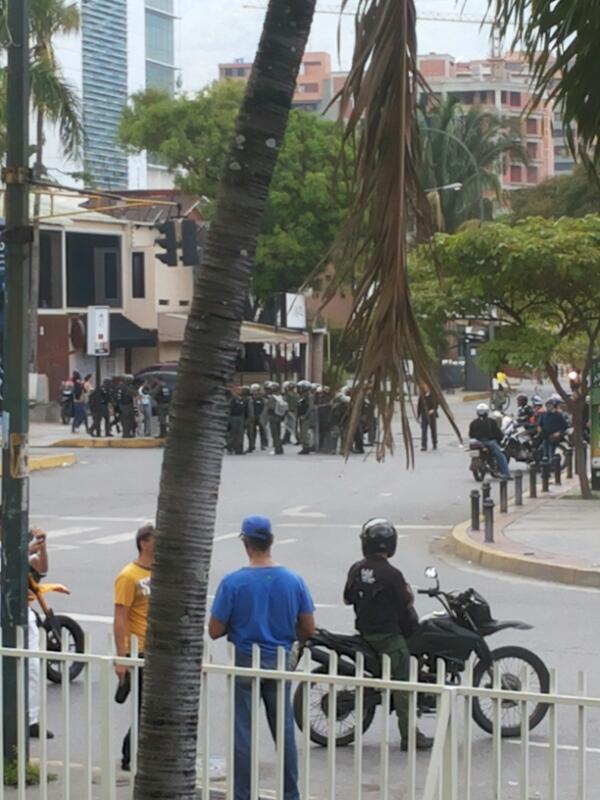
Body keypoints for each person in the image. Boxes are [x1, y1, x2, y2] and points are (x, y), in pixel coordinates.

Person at [209, 515, 315, 800]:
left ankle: (242, 794)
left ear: (246, 543)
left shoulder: (233, 582)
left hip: (246, 659)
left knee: (243, 732)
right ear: (271, 542)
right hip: (279, 660)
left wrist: (240, 623)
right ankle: (290, 793)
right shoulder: (293, 580)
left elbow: (215, 629)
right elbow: (308, 627)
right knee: (284, 732)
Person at [344, 519, 433, 751]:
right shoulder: (393, 574)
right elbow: (407, 601)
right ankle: (410, 736)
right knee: (404, 685)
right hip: (387, 638)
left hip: (364, 632)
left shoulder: (356, 568)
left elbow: (347, 598)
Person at [113, 523, 155, 772]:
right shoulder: (128, 576)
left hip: (156, 648)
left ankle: (139, 753)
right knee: (143, 707)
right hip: (138, 649)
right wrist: (122, 657)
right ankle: (129, 755)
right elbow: (120, 616)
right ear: (144, 543)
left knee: (151, 706)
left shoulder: (161, 572)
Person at [27, 527, 55, 739]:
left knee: (33, 666)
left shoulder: (22, 551)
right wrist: (26, 550)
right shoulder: (11, 551)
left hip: (23, 613)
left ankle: (31, 720)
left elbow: (42, 567)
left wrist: (42, 549)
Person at [468, 403, 512, 479]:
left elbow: (471, 434)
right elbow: (497, 433)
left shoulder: (473, 422)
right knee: (500, 456)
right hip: (489, 442)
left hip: (476, 442)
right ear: (487, 412)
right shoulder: (491, 421)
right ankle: (506, 474)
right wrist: (500, 439)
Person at [266, 382, 287, 455]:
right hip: (280, 417)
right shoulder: (282, 397)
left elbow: (270, 407)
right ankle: (280, 448)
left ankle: (277, 449)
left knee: (275, 434)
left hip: (273, 416)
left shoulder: (272, 398)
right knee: (278, 433)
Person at [417, 385, 438, 451]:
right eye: (425, 387)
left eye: (427, 387)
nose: (426, 388)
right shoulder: (422, 396)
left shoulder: (433, 395)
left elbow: (437, 404)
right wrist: (418, 415)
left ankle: (434, 443)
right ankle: (424, 445)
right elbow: (419, 406)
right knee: (424, 430)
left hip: (432, 416)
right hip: (424, 415)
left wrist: (433, 410)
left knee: (433, 430)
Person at [228, 386, 247, 455]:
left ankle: (239, 449)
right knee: (233, 433)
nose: (240, 391)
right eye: (239, 390)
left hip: (240, 417)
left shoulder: (242, 399)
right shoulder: (232, 399)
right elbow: (230, 409)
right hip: (234, 417)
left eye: (241, 390)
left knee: (240, 434)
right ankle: (230, 447)